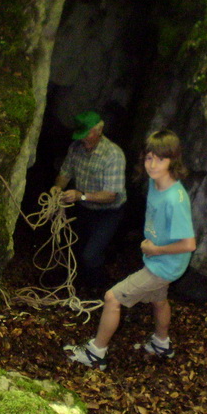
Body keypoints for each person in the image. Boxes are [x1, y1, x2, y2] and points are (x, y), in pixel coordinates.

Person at [65, 129, 195, 370]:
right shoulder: (158, 184)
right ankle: (161, 343)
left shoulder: (174, 199)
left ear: (173, 160)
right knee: (159, 300)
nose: (153, 164)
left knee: (112, 298)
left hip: (164, 265)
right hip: (162, 262)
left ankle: (96, 353)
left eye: (161, 159)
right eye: (149, 157)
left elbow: (188, 244)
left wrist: (155, 249)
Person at [50, 110, 126, 290]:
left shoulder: (113, 155)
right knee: (76, 247)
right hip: (85, 208)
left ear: (99, 130)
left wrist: (80, 195)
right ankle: (75, 282)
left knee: (90, 254)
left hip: (109, 211)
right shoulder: (75, 148)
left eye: (87, 134)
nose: (83, 139)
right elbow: (65, 172)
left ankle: (98, 289)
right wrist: (57, 188)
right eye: (81, 134)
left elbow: (111, 195)